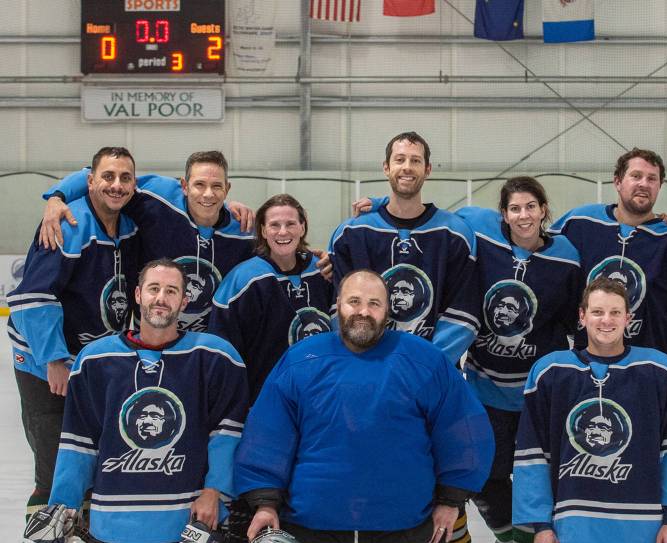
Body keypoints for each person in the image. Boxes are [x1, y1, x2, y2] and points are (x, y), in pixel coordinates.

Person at [234, 269, 495, 543]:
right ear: (337, 305)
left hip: (406, 528)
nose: (363, 311)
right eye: (354, 301)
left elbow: (462, 429)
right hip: (314, 531)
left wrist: (451, 498)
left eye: (374, 303)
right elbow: (269, 432)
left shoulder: (423, 360)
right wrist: (265, 502)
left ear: (388, 311)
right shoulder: (301, 359)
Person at [19, 259, 248, 543]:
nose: (162, 298)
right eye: (154, 289)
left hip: (187, 526)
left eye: (172, 291)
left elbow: (227, 433)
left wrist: (215, 491)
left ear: (185, 299)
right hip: (116, 526)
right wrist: (63, 508)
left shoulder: (216, 356)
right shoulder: (95, 359)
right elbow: (79, 441)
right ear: (139, 295)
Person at [512, 277, 667, 543]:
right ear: (582, 317)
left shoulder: (660, 370)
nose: (605, 320)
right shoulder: (549, 372)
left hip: (640, 529)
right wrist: (541, 527)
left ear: (629, 318)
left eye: (614, 312)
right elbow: (531, 456)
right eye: (597, 312)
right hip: (574, 531)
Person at [456, 177, 582, 543]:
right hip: (485, 386)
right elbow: (421, 214)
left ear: (545, 209)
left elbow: (571, 322)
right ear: (503, 213)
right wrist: (376, 200)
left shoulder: (566, 257)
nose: (523, 216)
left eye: (532, 207)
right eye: (515, 209)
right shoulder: (482, 232)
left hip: (538, 395)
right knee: (486, 478)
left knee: (535, 480)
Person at [8, 146, 141, 522]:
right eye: (108, 177)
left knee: (90, 459)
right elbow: (34, 296)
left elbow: (179, 189)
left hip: (89, 362)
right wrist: (54, 359)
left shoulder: (129, 225)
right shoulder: (67, 224)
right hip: (45, 361)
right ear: (90, 182)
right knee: (54, 463)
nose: (117, 185)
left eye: (125, 178)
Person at [548, 148, 667, 385]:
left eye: (652, 179)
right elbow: (537, 258)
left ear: (660, 186)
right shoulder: (578, 224)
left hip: (654, 375)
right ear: (617, 182)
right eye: (636, 176)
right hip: (587, 372)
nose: (644, 184)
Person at [40, 150, 255, 332]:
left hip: (202, 344)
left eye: (216, 186)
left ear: (227, 189)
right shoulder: (158, 195)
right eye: (199, 184)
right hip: (149, 336)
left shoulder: (244, 230)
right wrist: (56, 196)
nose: (208, 194)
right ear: (184, 186)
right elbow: (97, 175)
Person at [328, 131, 480, 368]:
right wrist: (368, 360)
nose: (407, 167)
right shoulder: (350, 234)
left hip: (429, 374)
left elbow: (464, 312)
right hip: (367, 368)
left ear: (428, 169)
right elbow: (339, 309)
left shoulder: (456, 234)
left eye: (415, 160)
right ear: (386, 167)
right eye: (400, 160)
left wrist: (423, 365)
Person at [209, 194, 334, 404]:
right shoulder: (242, 280)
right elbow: (224, 352)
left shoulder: (324, 271)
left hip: (321, 397)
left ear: (302, 228)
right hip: (265, 401)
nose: (283, 232)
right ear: (263, 231)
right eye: (274, 225)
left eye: (291, 224)